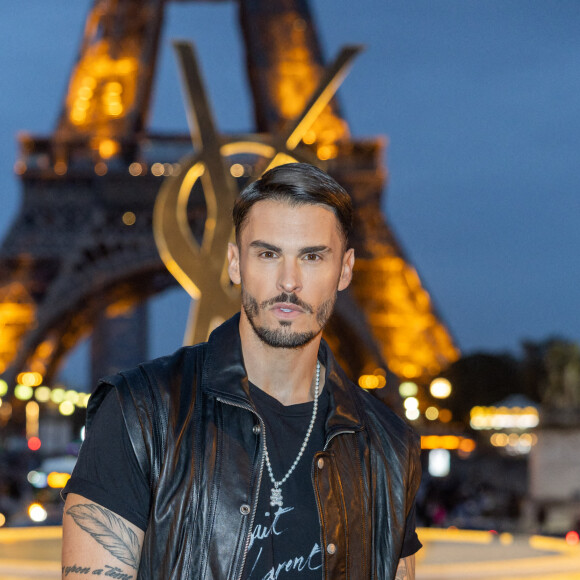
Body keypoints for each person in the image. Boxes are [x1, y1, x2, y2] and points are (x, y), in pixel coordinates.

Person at [62, 162, 422, 580]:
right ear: (235, 263)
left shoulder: (391, 448)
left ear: (344, 270)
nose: (289, 281)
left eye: (312, 256)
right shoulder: (138, 413)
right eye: (268, 254)